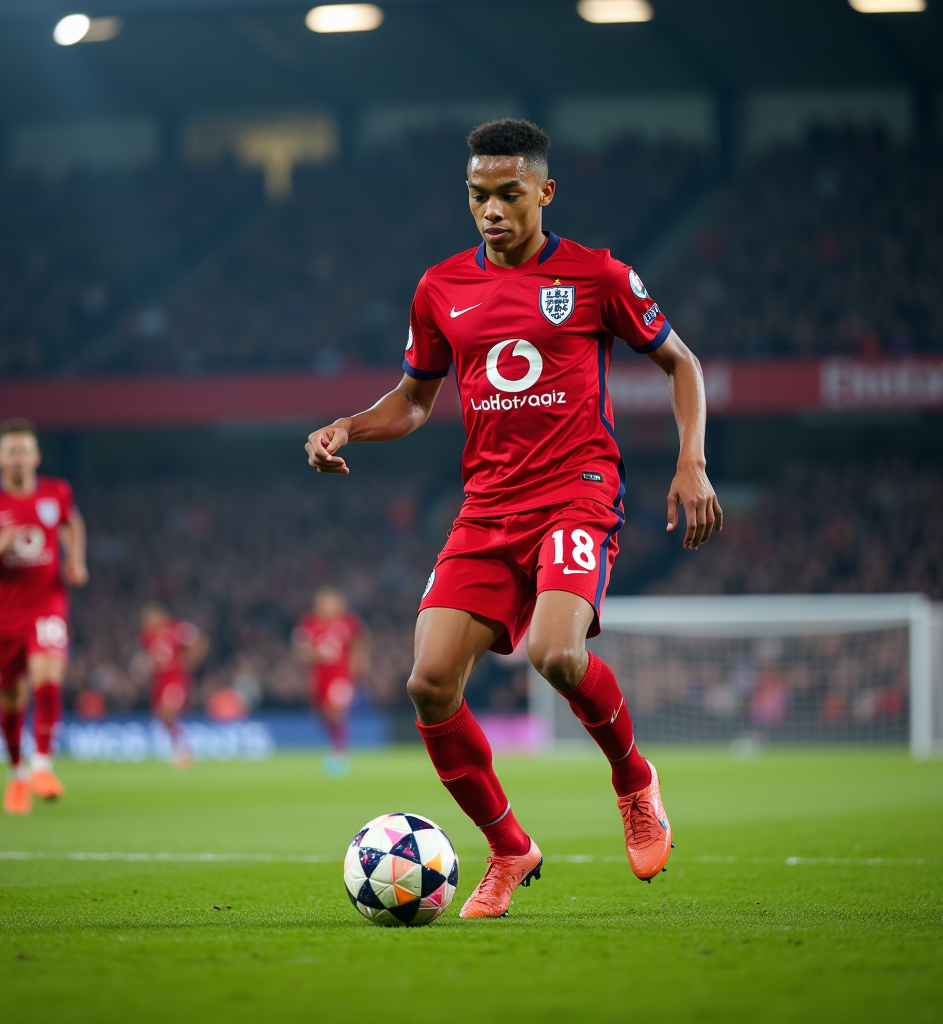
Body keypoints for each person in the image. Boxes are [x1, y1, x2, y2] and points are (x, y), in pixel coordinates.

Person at [305, 120, 722, 918]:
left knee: (556, 654)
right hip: (487, 505)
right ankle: (508, 847)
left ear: (544, 191)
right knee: (429, 684)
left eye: (507, 194)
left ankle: (634, 780)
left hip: (576, 488)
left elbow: (682, 362)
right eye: (477, 196)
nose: (491, 210)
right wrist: (348, 426)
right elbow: (416, 400)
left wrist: (691, 460)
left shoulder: (596, 275)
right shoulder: (439, 288)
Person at [0, 418, 88, 814]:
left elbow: (72, 521)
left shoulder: (57, 492)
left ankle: (42, 766)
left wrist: (76, 561)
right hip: (3, 614)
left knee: (48, 676)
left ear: (36, 456)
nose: (18, 458)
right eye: (11, 451)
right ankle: (16, 776)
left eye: (25, 450)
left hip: (47, 602)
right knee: (11, 699)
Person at [293, 586, 368, 777]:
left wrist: (358, 663)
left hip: (340, 677)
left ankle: (340, 754)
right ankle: (334, 747)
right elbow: (300, 652)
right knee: (321, 714)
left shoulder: (348, 622)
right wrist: (312, 654)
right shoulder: (309, 624)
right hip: (319, 677)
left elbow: (359, 643)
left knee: (335, 711)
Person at [137, 602, 208, 768]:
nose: (148, 621)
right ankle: (181, 749)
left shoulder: (176, 628)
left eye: (151, 618)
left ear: (161, 616)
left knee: (167, 712)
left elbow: (199, 641)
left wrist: (189, 662)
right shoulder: (147, 636)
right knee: (162, 716)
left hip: (175, 680)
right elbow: (151, 657)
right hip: (159, 681)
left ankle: (185, 750)